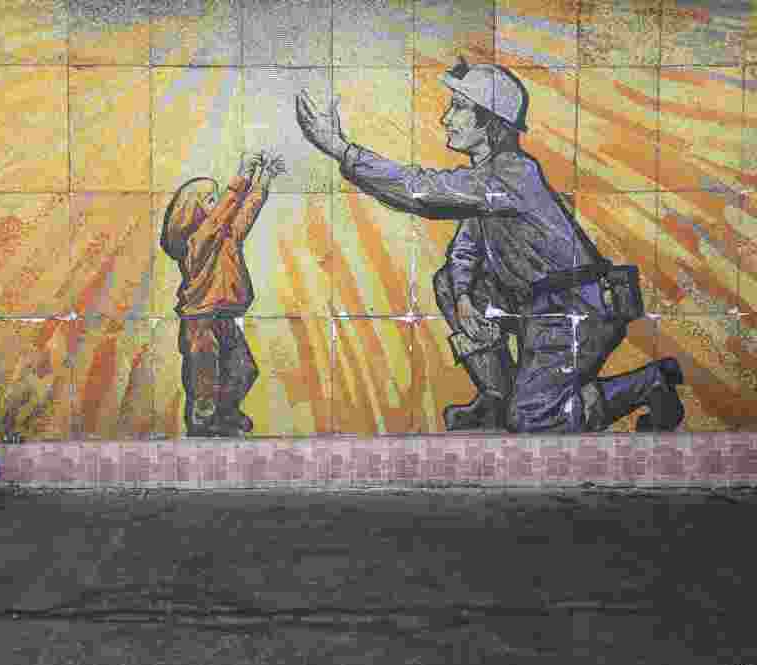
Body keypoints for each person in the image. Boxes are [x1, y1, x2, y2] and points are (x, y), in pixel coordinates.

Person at [295, 58, 684, 433]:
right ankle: (498, 395)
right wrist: (464, 295)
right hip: (534, 308)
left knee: (533, 420)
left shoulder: (514, 173)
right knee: (450, 280)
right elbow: (465, 249)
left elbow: (422, 191)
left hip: (574, 310)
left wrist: (343, 150)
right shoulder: (486, 180)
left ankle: (649, 383)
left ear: (491, 123)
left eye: (460, 107)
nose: (446, 117)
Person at [160, 151, 285, 436]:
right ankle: (203, 425)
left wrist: (263, 179)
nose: (218, 205)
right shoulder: (197, 244)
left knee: (243, 369)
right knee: (204, 381)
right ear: (193, 211)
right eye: (210, 199)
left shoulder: (226, 239)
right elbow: (218, 220)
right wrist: (241, 176)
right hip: (200, 321)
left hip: (223, 317)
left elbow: (244, 215)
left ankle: (226, 413)